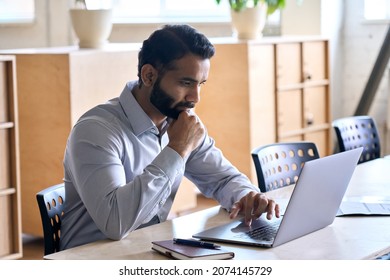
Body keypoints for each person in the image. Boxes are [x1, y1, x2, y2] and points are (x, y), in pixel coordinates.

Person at [60, 24, 280, 250]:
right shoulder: (96, 131)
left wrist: (247, 196)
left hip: (146, 249)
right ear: (149, 75)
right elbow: (115, 223)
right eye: (186, 83)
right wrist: (176, 150)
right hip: (92, 259)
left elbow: (223, 179)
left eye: (200, 84)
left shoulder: (177, 121)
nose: (195, 98)